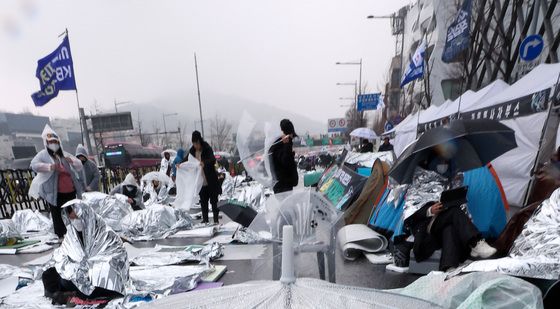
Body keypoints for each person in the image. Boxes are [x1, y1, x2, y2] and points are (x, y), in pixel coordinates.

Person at [42, 202, 127, 306]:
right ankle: (61, 295)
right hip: (77, 275)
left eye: (77, 218)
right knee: (48, 274)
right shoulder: (72, 234)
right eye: (72, 219)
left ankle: (65, 295)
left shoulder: (105, 233)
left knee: (68, 282)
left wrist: (82, 269)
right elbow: (62, 255)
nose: (75, 222)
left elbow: (117, 259)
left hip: (101, 281)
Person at [405, 200, 497, 271]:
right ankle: (475, 243)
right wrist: (430, 210)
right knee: (454, 211)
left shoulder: (449, 181)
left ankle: (448, 267)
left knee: (449, 227)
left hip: (442, 225)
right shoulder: (414, 188)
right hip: (427, 232)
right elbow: (409, 219)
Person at [29, 125, 85, 239]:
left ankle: (78, 234)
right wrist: (50, 167)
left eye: (55, 141)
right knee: (57, 215)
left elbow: (79, 165)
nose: (53, 144)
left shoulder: (63, 154)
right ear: (46, 142)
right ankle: (61, 237)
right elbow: (34, 165)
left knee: (74, 213)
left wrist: (72, 161)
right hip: (54, 193)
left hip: (70, 191)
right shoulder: (43, 154)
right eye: (51, 142)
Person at [181, 131, 222, 224]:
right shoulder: (192, 151)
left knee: (214, 201)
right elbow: (187, 159)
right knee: (203, 202)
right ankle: (205, 219)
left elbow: (212, 159)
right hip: (200, 181)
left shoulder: (207, 148)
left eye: (196, 143)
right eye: (194, 144)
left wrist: (204, 163)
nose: (195, 146)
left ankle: (216, 219)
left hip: (210, 180)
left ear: (199, 141)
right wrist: (180, 164)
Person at [269, 119, 299, 193]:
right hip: (283, 187)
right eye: (291, 136)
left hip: (284, 185)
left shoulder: (278, 145)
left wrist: (290, 153)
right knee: (287, 204)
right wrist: (287, 146)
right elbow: (286, 161)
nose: (292, 138)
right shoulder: (280, 145)